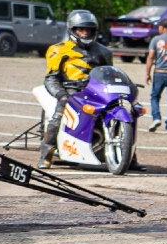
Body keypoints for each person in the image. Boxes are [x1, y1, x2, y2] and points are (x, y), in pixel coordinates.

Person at [40, 10, 113, 168]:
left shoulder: (104, 52)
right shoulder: (58, 49)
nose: (85, 33)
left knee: (119, 112)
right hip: (71, 91)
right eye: (81, 29)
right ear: (72, 29)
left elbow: (109, 74)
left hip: (96, 92)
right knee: (58, 118)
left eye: (88, 30)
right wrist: (61, 95)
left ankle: (129, 157)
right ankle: (46, 155)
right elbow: (51, 78)